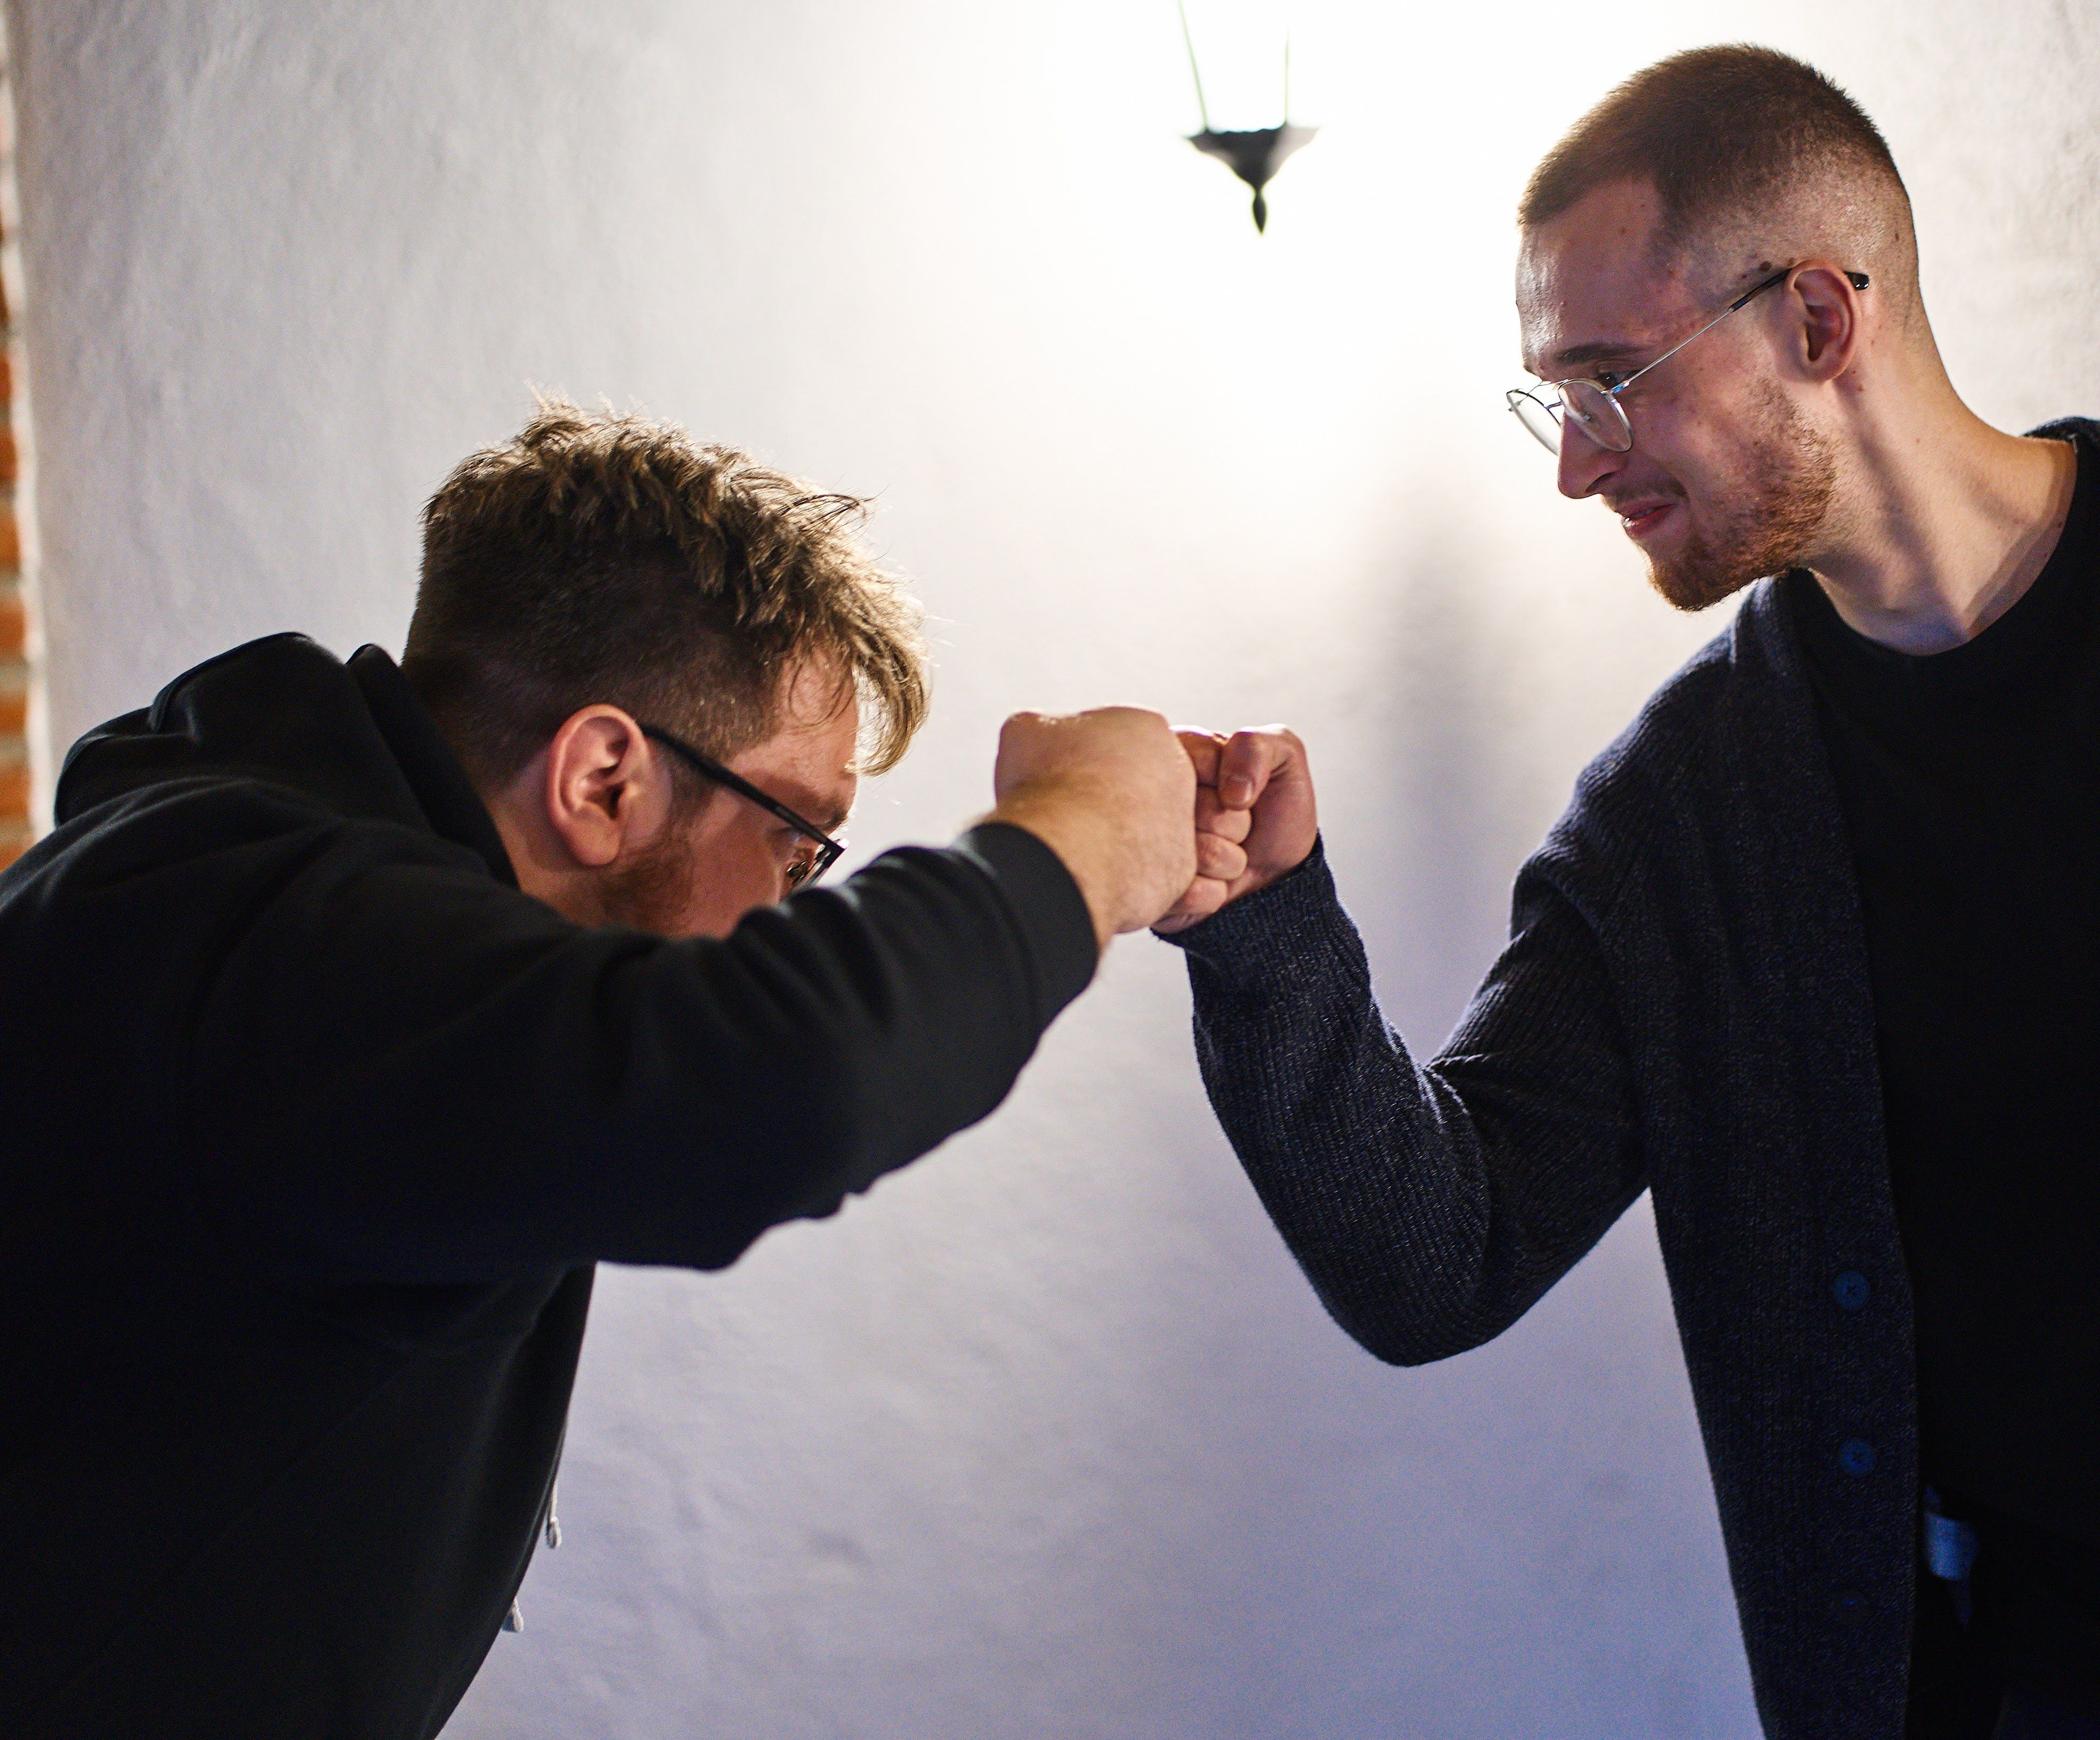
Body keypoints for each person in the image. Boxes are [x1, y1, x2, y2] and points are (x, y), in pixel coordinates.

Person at [1164, 44, 2100, 1740]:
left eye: (1611, 381)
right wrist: (1261, 932)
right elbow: (1440, 1257)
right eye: (1554, 397)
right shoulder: (1674, 831)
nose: (1573, 460)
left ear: (1820, 322)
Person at [0, 402, 1240, 1738]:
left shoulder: (303, 912)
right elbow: (781, 1081)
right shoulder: (273, 942)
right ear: (601, 778)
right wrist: (1088, 836)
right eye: (798, 839)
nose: (790, 907)